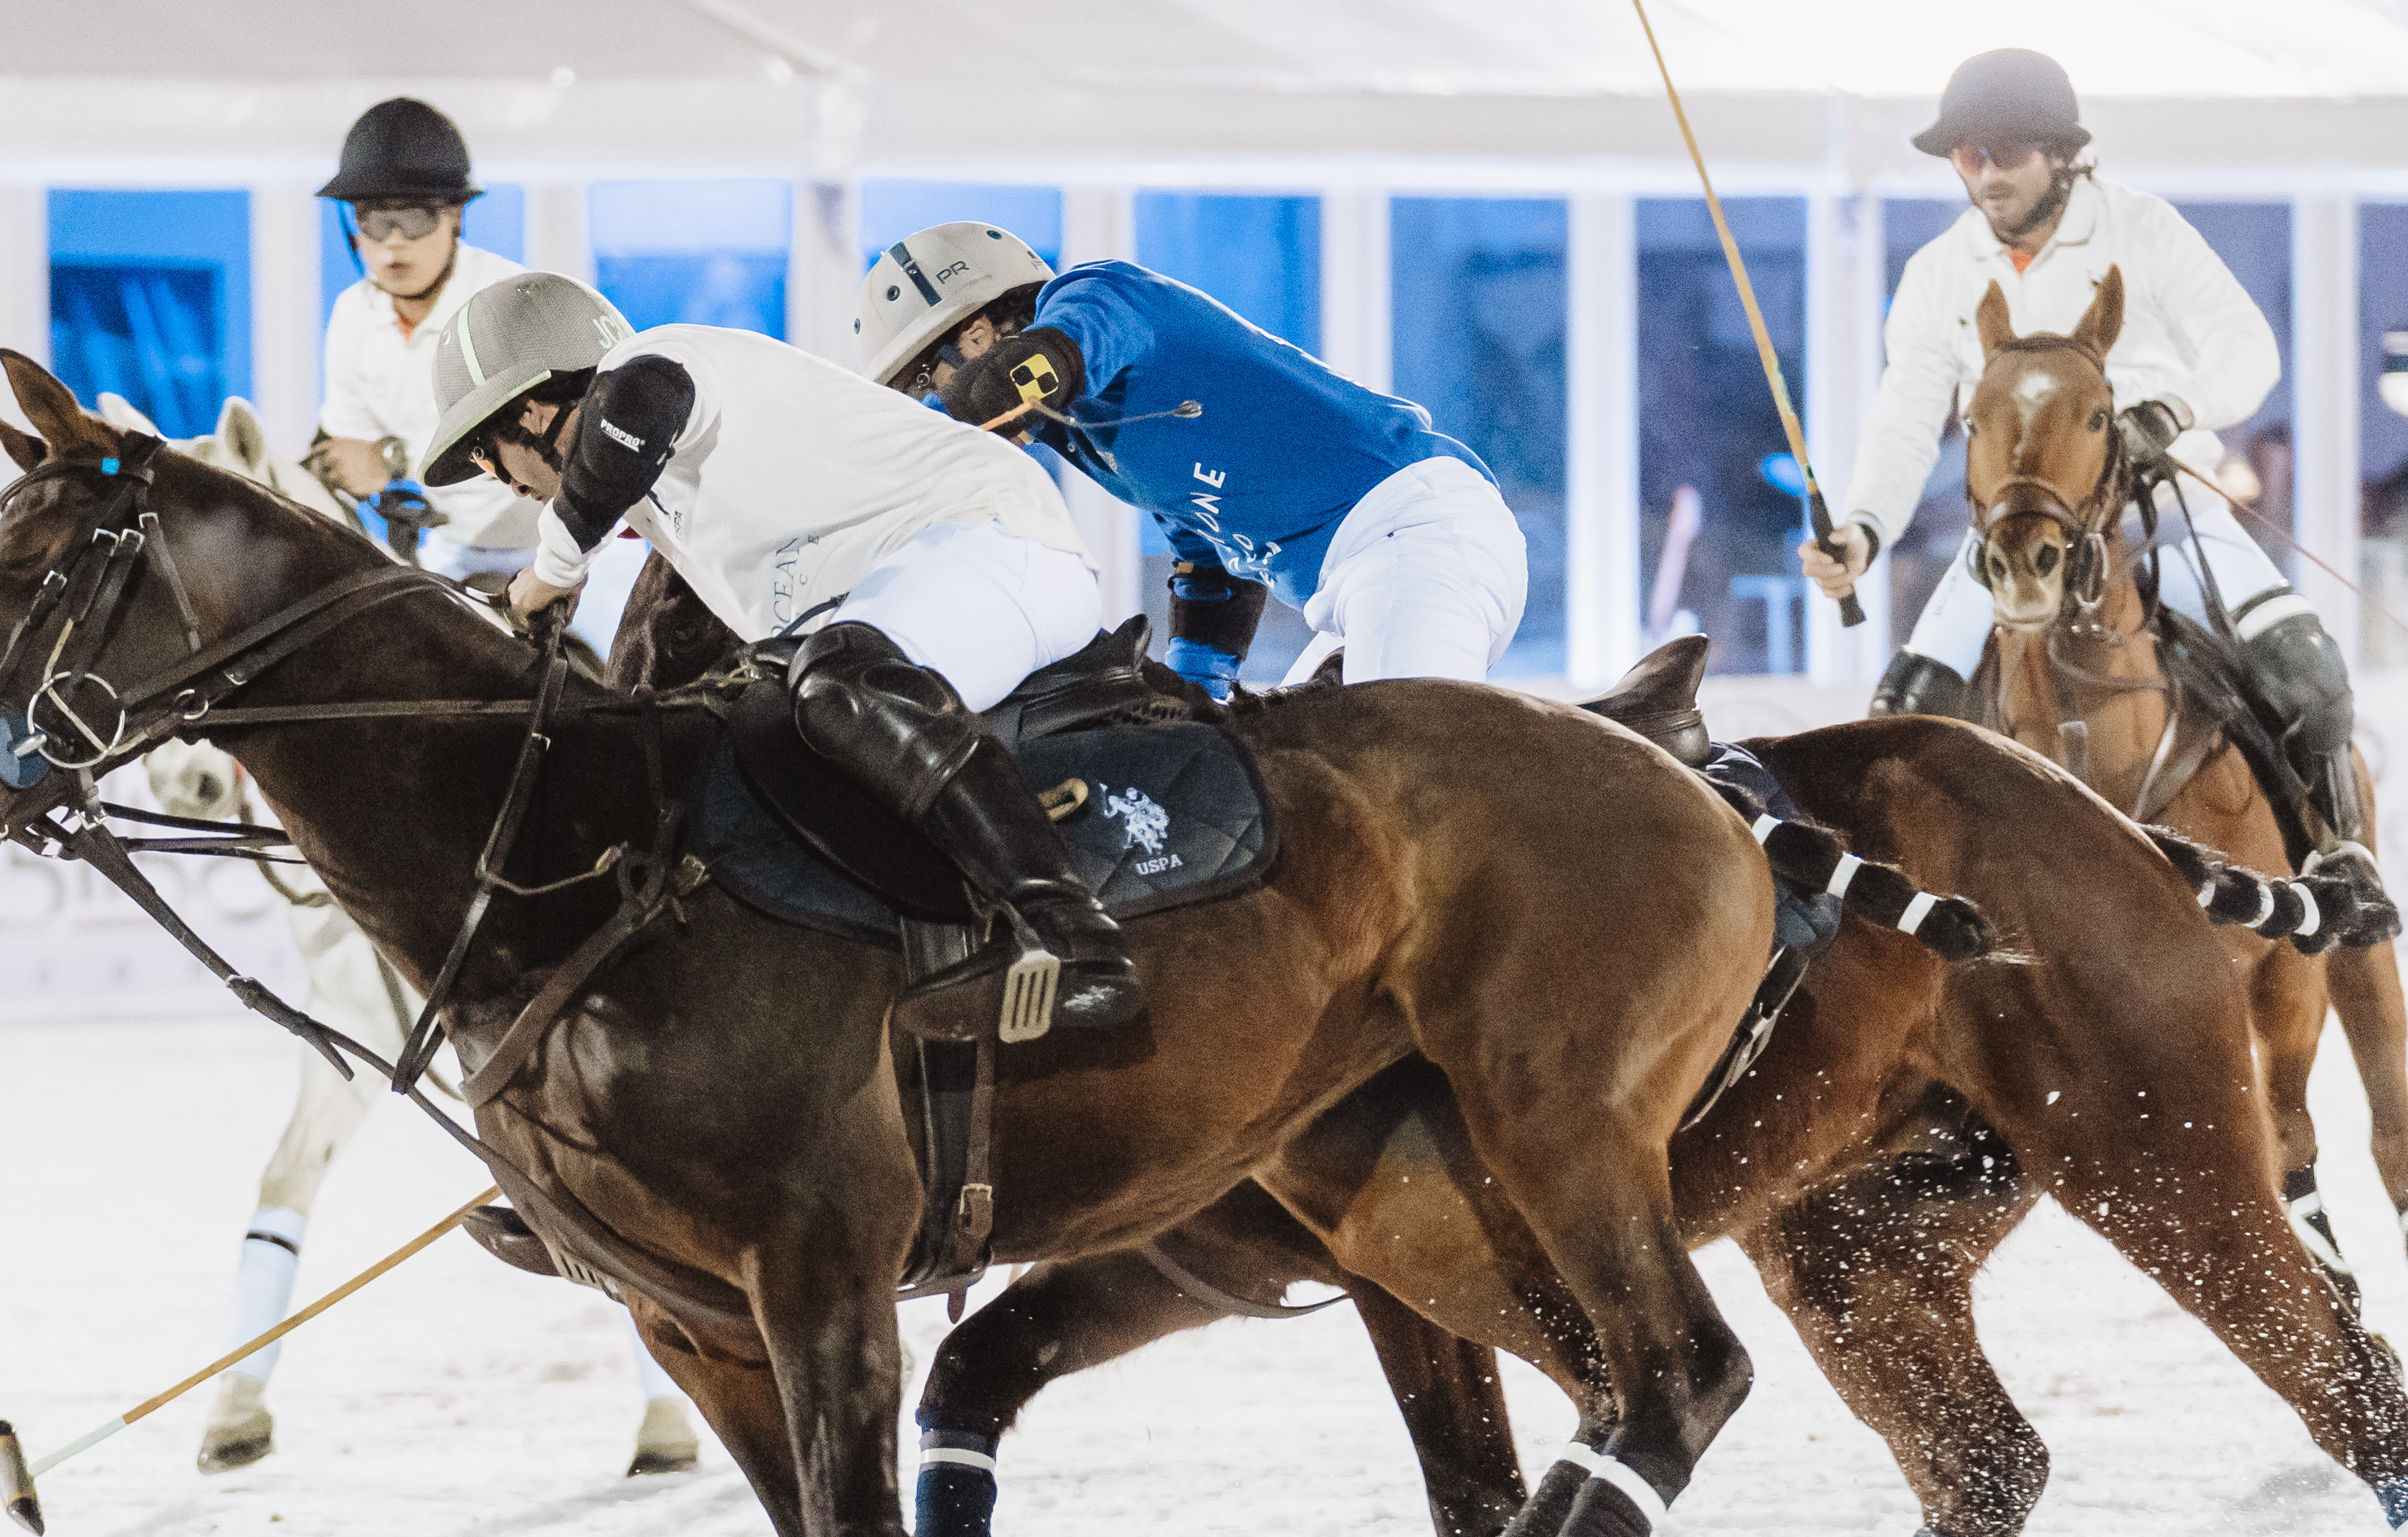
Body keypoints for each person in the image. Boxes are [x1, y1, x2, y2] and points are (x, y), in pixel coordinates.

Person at [419, 272, 1139, 1036]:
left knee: (844, 684)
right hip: (910, 579)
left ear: (532, 409)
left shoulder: (657, 364)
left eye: (484, 453)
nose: (495, 480)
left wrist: (549, 572)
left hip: (996, 542)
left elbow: (636, 408)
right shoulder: (670, 498)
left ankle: (1077, 941)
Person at [1803, 47, 2391, 917]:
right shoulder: (1936, 275)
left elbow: (2246, 347)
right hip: (2012, 532)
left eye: (2005, 152)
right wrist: (1860, 529)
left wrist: (2168, 406)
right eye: (1967, 156)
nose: (1986, 174)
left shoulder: (2140, 229)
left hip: (2160, 504)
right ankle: (1904, 928)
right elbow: (1902, 421)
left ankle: (2341, 867)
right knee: (1903, 708)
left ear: (2059, 153)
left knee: (2305, 673)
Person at [855, 222, 1525, 699]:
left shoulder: (1097, 294)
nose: (937, 401)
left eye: (926, 382)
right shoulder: (1092, 433)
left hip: (1415, 535)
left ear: (974, 334)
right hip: (1363, 579)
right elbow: (1210, 558)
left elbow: (1037, 366)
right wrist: (1194, 690)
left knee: (1395, 780)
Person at [301, 98, 541, 586]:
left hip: (563, 551)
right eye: (372, 219)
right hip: (449, 553)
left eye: (413, 218)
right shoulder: (352, 313)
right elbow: (348, 449)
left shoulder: (512, 304)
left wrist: (391, 460)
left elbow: (537, 447)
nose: (392, 243)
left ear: (454, 214)